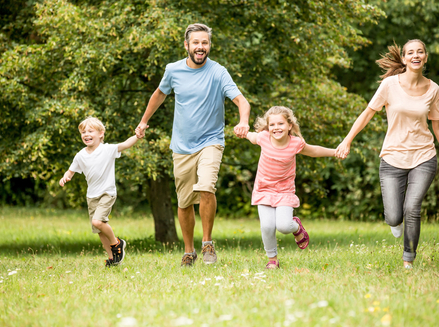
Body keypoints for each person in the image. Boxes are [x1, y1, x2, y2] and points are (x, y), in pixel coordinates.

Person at [135, 23, 251, 266]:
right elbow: (159, 94)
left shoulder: (219, 72)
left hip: (211, 141)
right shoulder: (173, 70)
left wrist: (243, 122)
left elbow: (241, 101)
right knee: (184, 201)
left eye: (205, 43)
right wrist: (144, 121)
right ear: (187, 45)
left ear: (209, 46)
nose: (201, 47)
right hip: (182, 146)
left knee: (206, 186)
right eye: (196, 43)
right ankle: (189, 251)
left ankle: (207, 243)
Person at [336, 39, 439, 269]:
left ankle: (408, 261)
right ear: (404, 59)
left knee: (412, 208)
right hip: (392, 156)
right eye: (410, 52)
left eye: (420, 52)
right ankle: (396, 223)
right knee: (394, 216)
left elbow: (437, 125)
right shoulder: (389, 85)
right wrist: (347, 140)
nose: (416, 55)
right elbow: (367, 113)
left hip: (424, 156)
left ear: (425, 57)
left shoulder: (434, 89)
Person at [244, 106, 336, 269]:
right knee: (266, 226)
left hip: (284, 192)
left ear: (290, 126)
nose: (276, 128)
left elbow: (314, 151)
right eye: (272, 125)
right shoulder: (263, 138)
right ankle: (273, 259)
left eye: (280, 124)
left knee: (284, 226)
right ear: (268, 127)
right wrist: (243, 131)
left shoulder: (296, 143)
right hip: (264, 190)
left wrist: (334, 152)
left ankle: (296, 226)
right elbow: (251, 136)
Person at [59, 117, 139, 267]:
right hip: (91, 196)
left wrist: (137, 135)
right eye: (83, 132)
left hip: (107, 193)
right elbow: (71, 171)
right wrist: (65, 177)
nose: (86, 134)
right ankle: (112, 259)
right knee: (99, 230)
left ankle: (117, 243)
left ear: (101, 134)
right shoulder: (80, 155)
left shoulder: (107, 149)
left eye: (90, 131)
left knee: (97, 221)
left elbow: (126, 144)